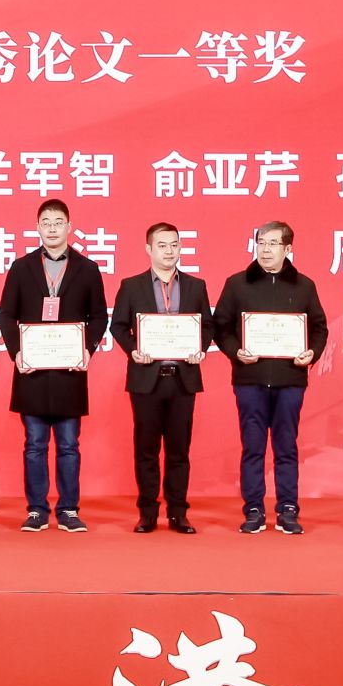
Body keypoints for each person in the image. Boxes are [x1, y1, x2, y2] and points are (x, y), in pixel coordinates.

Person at [0, 198, 109, 533]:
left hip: (68, 371)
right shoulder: (21, 267)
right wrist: (17, 352)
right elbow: (6, 315)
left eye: (58, 222)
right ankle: (36, 510)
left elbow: (99, 316)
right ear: (37, 228)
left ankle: (69, 509)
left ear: (69, 227)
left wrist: (87, 349)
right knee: (34, 444)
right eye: (46, 222)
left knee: (68, 445)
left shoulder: (87, 269)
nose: (52, 228)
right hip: (32, 370)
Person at [211, 219, 328, 535]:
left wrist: (312, 353)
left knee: (286, 447)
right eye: (261, 243)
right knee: (253, 447)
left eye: (273, 244)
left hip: (290, 379)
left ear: (288, 248)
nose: (265, 249)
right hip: (250, 378)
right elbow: (220, 327)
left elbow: (319, 328)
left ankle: (288, 509)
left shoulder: (304, 286)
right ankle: (253, 510)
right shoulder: (237, 284)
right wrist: (236, 351)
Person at [109, 221, 212, 534]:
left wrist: (199, 349)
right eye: (162, 245)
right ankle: (148, 513)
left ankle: (178, 513)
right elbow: (118, 325)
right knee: (147, 449)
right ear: (149, 249)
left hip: (183, 378)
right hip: (146, 378)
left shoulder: (196, 286)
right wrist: (134, 350)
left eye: (174, 245)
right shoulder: (132, 285)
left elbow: (207, 326)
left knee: (179, 450)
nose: (169, 251)